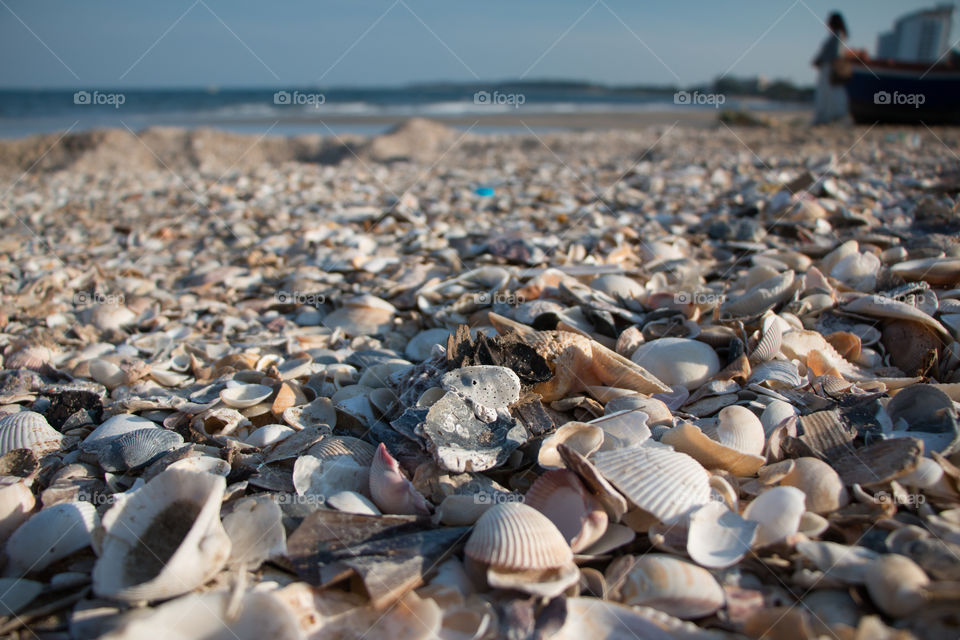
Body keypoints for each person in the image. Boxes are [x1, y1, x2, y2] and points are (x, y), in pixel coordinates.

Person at [812, 12, 849, 125]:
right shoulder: (836, 35)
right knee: (826, 93)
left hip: (830, 67)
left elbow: (837, 54)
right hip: (827, 66)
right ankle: (826, 117)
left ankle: (828, 117)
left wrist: (823, 60)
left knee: (827, 93)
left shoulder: (838, 35)